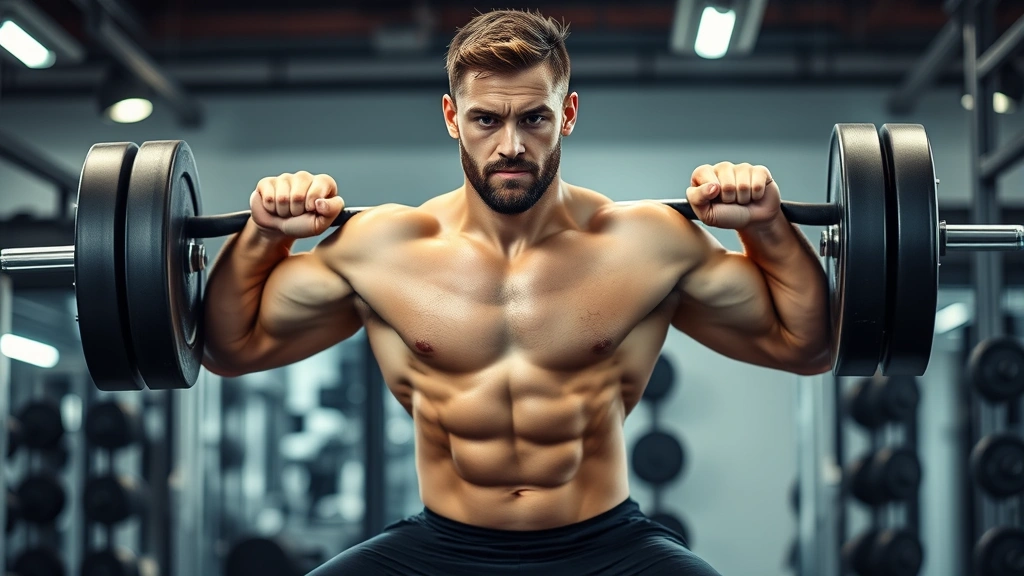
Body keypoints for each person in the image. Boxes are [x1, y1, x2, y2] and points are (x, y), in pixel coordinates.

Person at [202, 8, 829, 576]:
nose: (511, 145)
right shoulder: (383, 248)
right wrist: (264, 233)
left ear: (569, 115)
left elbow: (807, 345)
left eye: (535, 118)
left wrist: (767, 226)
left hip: (608, 549)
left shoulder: (646, 243)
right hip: (441, 549)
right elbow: (231, 348)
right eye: (486, 119)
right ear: (453, 118)